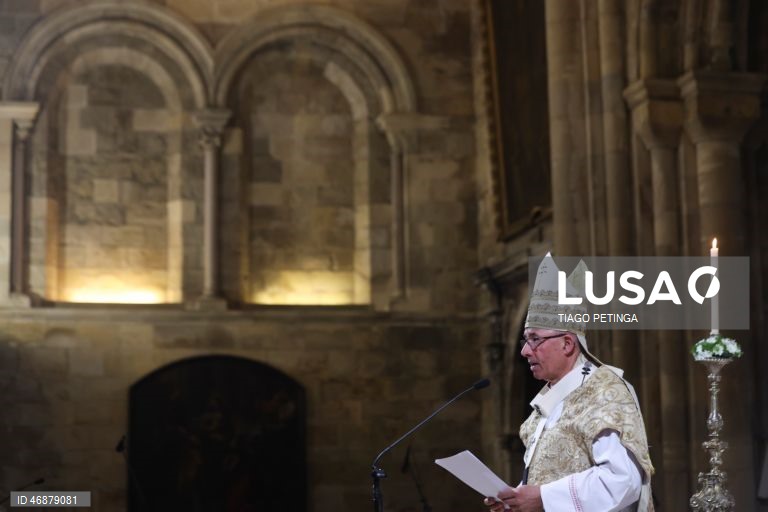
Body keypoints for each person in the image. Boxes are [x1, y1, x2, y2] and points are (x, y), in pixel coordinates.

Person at [483, 254, 654, 512]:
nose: (525, 352)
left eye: (535, 339)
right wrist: (516, 499)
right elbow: (549, 476)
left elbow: (622, 482)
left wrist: (542, 499)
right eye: (525, 341)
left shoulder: (604, 393)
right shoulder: (550, 398)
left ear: (567, 344)